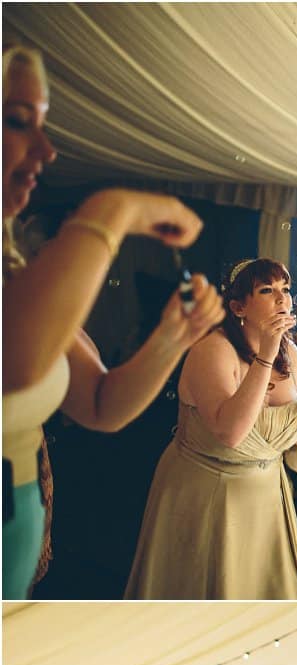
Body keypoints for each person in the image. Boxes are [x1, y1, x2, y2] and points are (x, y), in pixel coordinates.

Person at [2, 45, 223, 597]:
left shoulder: (12, 272)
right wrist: (112, 210)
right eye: (16, 121)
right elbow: (19, 363)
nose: (48, 150)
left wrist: (175, 335)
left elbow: (100, 404)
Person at [125, 258, 297, 598]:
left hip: (266, 496)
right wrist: (265, 356)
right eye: (267, 290)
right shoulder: (212, 350)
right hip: (209, 494)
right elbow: (231, 434)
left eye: (285, 289)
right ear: (239, 306)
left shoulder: (290, 352)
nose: (282, 299)